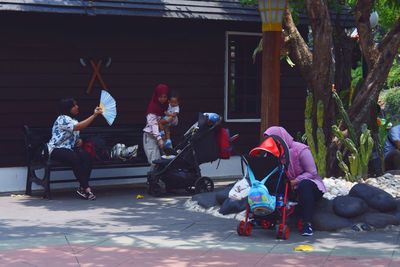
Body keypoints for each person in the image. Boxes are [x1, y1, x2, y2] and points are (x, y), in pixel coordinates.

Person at [264, 126, 326, 236]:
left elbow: (312, 172)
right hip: (289, 185)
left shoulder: (301, 150)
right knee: (269, 183)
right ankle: (266, 217)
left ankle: (307, 223)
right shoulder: (274, 153)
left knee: (304, 185)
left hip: (309, 184)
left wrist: (296, 180)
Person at [47, 98, 103, 200]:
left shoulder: (73, 120)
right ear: (68, 108)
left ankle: (82, 187)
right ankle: (87, 189)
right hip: (56, 149)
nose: (77, 107)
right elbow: (77, 127)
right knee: (74, 158)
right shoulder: (62, 119)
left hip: (70, 149)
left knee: (87, 157)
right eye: (74, 105)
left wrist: (80, 140)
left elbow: (75, 132)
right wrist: (94, 115)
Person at [143, 84, 169, 169]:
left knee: (166, 159)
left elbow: (172, 121)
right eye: (160, 97)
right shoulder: (153, 107)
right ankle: (153, 180)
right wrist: (159, 139)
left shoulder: (166, 106)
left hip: (162, 135)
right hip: (151, 137)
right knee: (155, 160)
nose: (163, 99)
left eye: (165, 96)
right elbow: (153, 125)